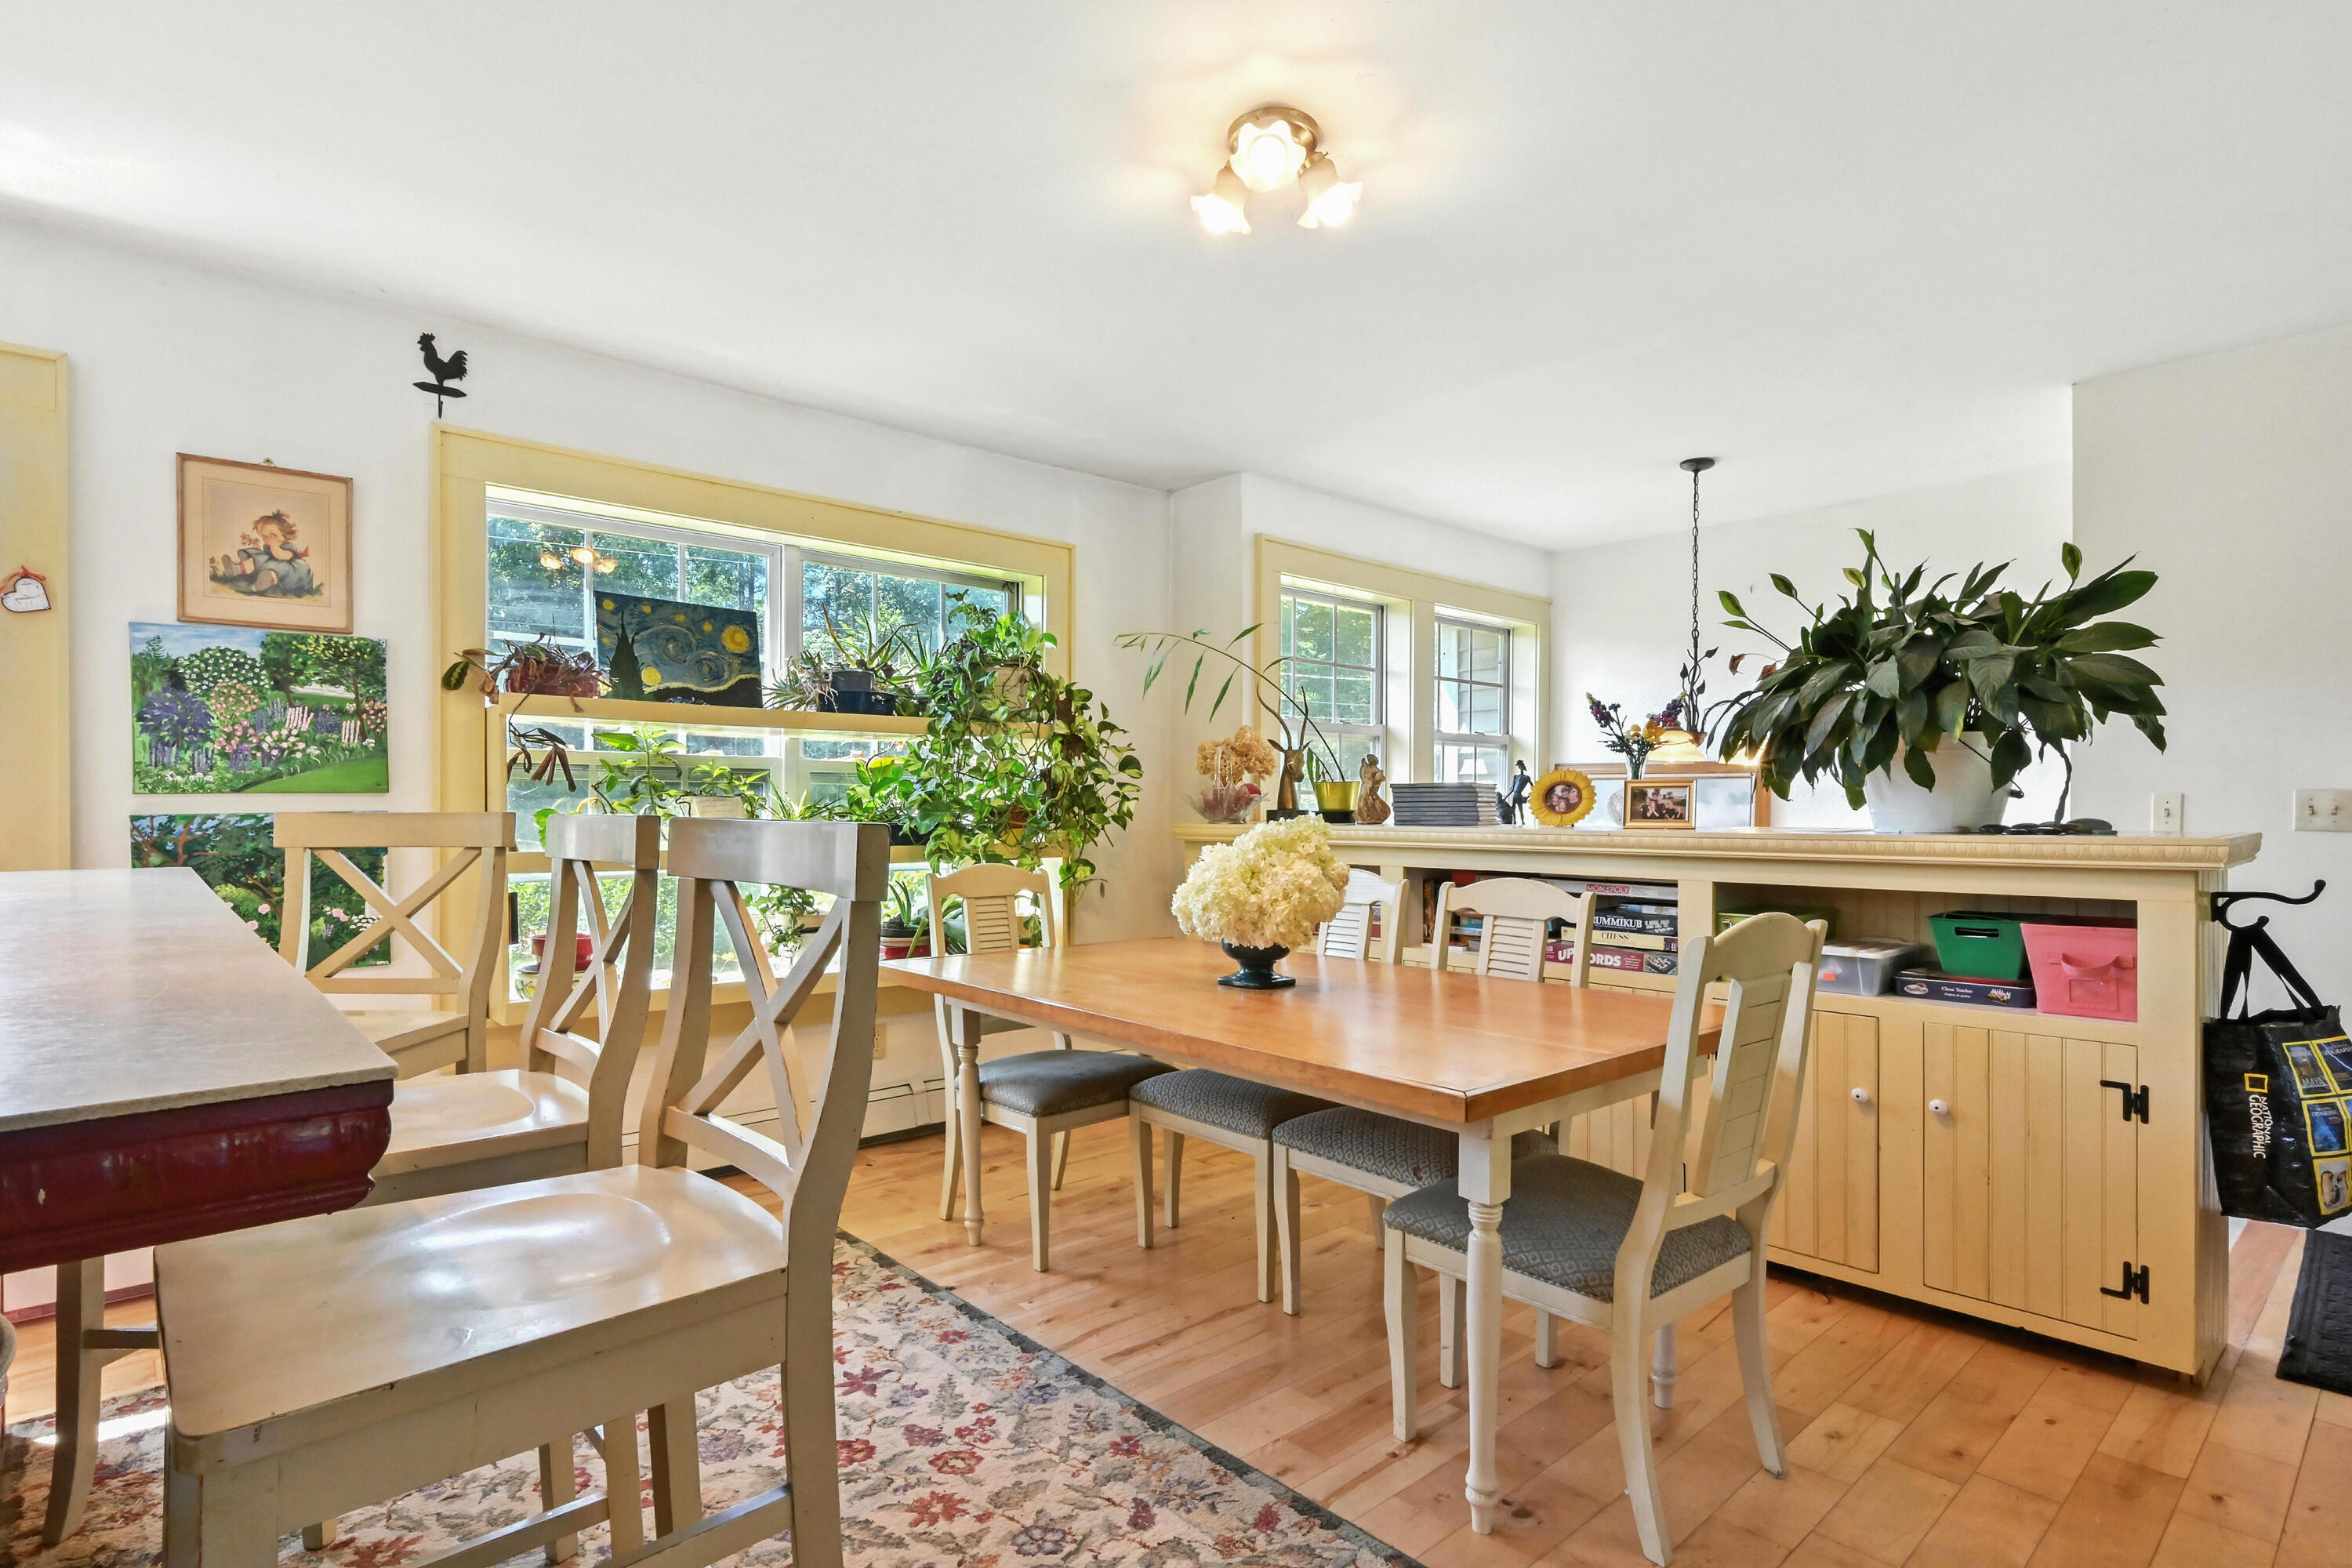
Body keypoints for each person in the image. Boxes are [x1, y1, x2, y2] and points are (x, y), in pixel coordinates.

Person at [214, 510, 318, 599]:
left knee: (275, 570)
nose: (269, 539)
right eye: (265, 536)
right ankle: (236, 569)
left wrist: (274, 546)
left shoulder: (288, 547)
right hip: (273, 564)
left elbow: (281, 556)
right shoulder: (270, 546)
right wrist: (259, 549)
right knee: (257, 558)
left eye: (273, 535)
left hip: (289, 570)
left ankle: (265, 582)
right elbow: (268, 556)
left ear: (285, 535)